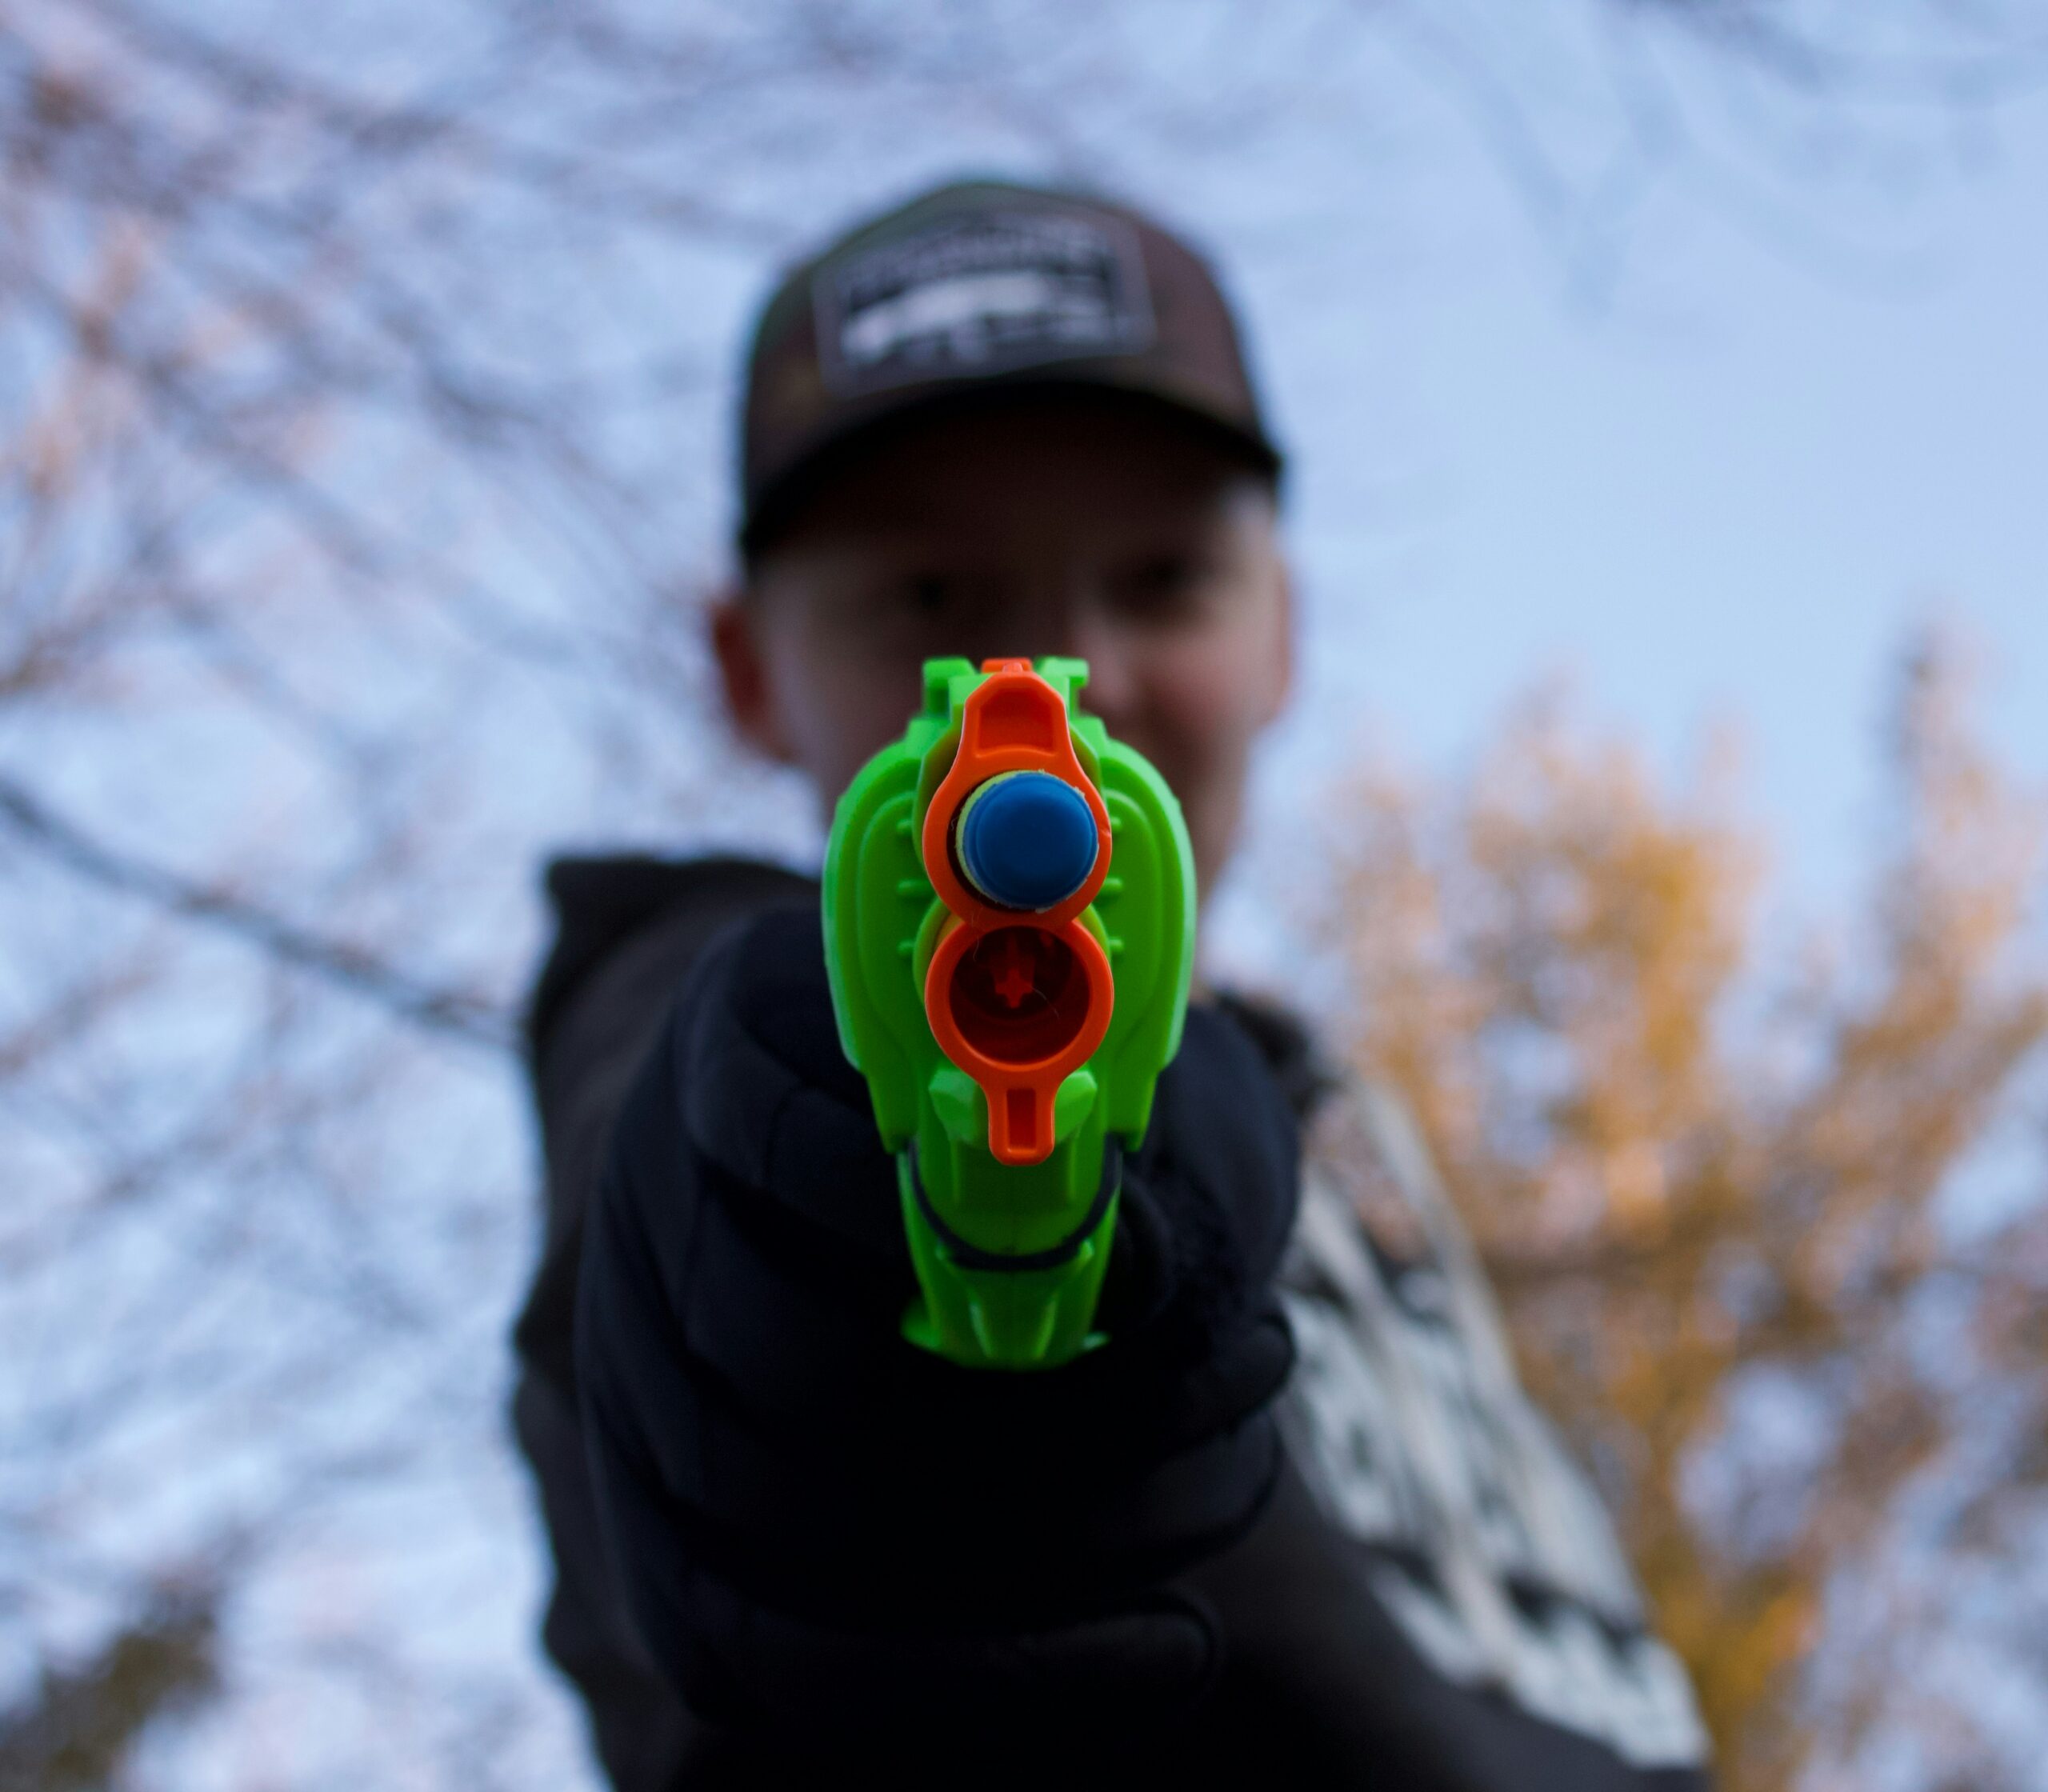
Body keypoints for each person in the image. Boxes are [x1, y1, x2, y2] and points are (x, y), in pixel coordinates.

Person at [511, 178, 1715, 1789]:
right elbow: (711, 1167)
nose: (1060, 684)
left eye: (1157, 580)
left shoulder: (1345, 1123)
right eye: (931, 599)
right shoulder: (705, 1012)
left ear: (1282, 626)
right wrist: (920, 1215)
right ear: (744, 670)